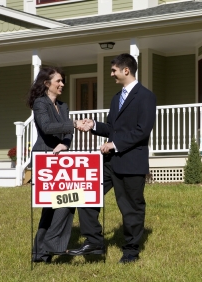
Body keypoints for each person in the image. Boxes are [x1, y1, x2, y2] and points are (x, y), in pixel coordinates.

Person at [68, 53, 156, 263]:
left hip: (132, 163)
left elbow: (142, 131)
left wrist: (114, 144)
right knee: (87, 196)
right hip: (110, 163)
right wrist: (94, 126)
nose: (111, 74)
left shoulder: (146, 96)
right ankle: (94, 242)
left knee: (131, 209)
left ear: (126, 70)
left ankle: (131, 252)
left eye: (114, 70)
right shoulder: (117, 98)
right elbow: (114, 128)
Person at [28, 66, 86, 263]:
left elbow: (67, 133)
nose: (62, 84)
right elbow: (47, 127)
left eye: (63, 81)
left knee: (62, 203)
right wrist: (74, 124)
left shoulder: (63, 106)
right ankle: (46, 249)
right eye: (58, 81)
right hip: (43, 159)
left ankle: (42, 252)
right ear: (47, 83)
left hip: (61, 160)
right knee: (57, 205)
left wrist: (65, 143)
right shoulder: (40, 104)